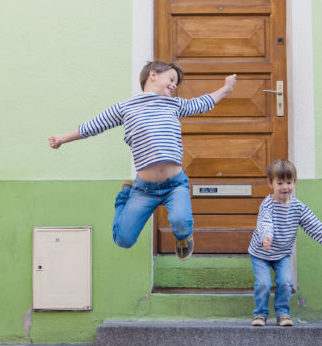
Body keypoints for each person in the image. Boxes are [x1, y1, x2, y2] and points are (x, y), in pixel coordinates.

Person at [49, 60, 236, 259]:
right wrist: (62, 138)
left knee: (181, 222)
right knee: (123, 239)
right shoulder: (125, 108)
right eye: (171, 79)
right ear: (153, 75)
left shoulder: (174, 104)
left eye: (176, 83)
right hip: (144, 189)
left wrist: (226, 88)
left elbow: (202, 103)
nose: (174, 85)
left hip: (175, 185)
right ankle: (124, 196)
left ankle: (183, 237)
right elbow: (93, 126)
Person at [248, 158, 322, 327]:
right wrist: (266, 237)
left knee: (286, 282)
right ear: (270, 184)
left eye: (289, 182)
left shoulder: (298, 207)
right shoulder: (268, 204)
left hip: (282, 254)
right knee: (264, 283)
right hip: (261, 252)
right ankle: (260, 314)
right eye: (280, 183)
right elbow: (265, 222)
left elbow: (314, 224)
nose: (285, 187)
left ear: (295, 182)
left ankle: (283, 313)